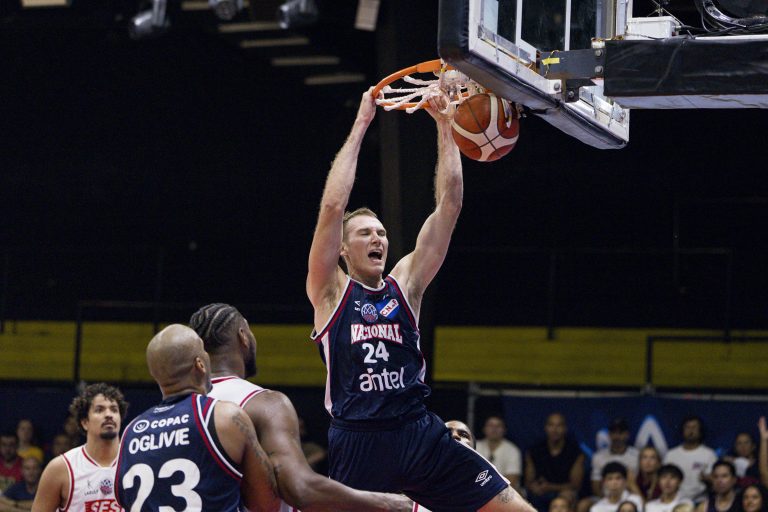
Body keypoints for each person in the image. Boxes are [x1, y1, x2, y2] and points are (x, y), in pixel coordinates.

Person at [306, 88, 531, 512]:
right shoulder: (330, 292)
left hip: (418, 431)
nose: (378, 238)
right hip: (359, 440)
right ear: (343, 249)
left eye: (382, 233)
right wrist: (362, 124)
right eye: (365, 233)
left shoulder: (405, 285)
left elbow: (450, 206)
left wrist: (446, 126)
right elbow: (333, 207)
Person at [190, 302, 414, 512]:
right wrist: (393, 503)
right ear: (243, 337)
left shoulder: (180, 407)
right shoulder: (263, 403)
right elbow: (301, 490)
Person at [115, 324, 280, 512]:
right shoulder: (225, 417)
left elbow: (123, 500)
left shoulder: (131, 432)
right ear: (200, 364)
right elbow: (267, 504)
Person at [32, 382, 127, 512]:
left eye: (114, 410)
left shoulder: (137, 461)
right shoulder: (60, 468)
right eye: (99, 410)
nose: (109, 414)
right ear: (85, 422)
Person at [525, 412, 586, 511]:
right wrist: (534, 487)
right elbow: (529, 481)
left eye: (559, 425)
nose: (555, 429)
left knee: (565, 499)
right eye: (551, 425)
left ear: (565, 428)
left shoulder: (575, 452)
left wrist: (550, 487)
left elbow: (575, 485)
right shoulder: (534, 450)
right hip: (540, 493)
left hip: (563, 491)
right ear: (546, 428)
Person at [663, 415, 717, 503]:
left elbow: (715, 481)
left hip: (700, 501)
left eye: (694, 427)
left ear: (700, 431)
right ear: (682, 430)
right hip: (675, 502)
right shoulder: (671, 454)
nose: (691, 430)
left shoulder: (709, 454)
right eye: (687, 427)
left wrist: (707, 479)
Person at [590, 419, 639, 497]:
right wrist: (606, 501)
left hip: (630, 497)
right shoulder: (598, 457)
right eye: (613, 433)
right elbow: (596, 485)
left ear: (627, 435)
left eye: (620, 433)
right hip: (605, 497)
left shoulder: (636, 455)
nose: (617, 437)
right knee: (585, 503)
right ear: (609, 435)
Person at [476, 416, 523, 491]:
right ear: (484, 429)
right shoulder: (475, 446)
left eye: (498, 426)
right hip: (477, 491)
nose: (494, 429)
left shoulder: (512, 450)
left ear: (504, 430)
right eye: (490, 425)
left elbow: (511, 481)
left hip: (505, 493)